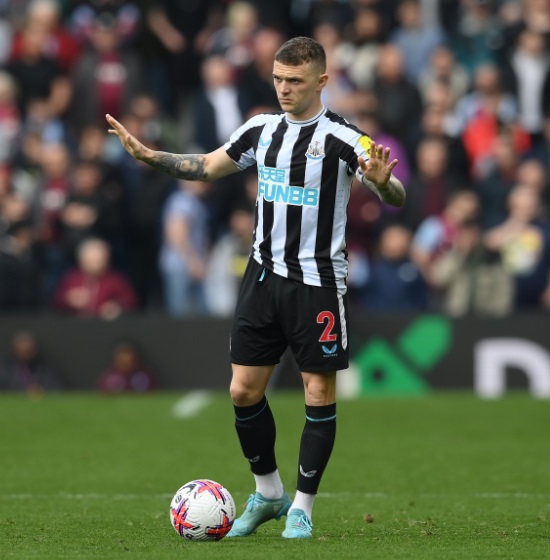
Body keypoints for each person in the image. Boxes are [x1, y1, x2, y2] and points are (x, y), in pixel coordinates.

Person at [106, 36, 404, 539]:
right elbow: (207, 166)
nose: (284, 89)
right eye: (278, 79)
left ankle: (302, 507)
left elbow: (395, 193)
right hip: (262, 277)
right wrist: (148, 155)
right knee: (243, 390)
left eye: (295, 81)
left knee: (317, 391)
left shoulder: (345, 138)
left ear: (321, 81)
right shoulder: (261, 130)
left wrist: (381, 181)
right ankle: (269, 493)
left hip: (316, 282)